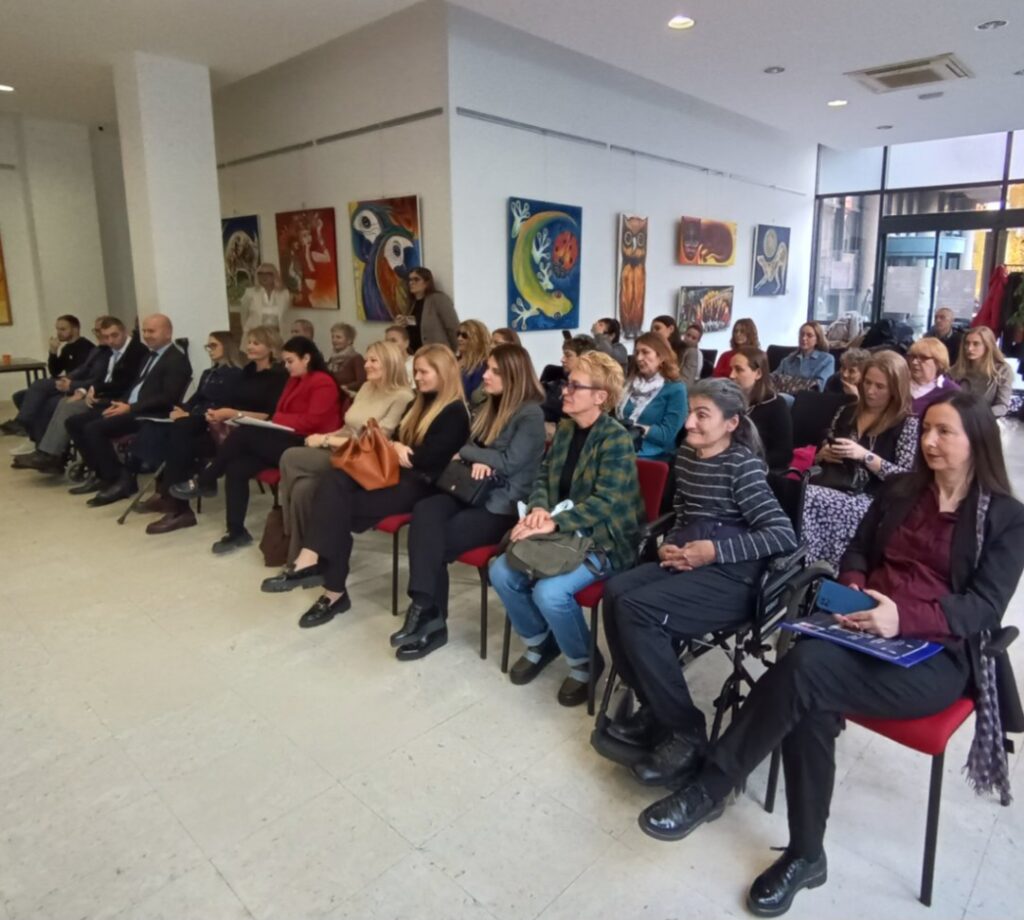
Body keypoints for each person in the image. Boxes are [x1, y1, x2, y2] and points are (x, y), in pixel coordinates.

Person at [637, 392, 1024, 917]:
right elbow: (858, 550)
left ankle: (711, 787)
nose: (929, 442)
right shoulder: (904, 490)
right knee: (811, 693)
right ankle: (805, 855)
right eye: (926, 430)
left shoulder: (1006, 517)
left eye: (944, 432)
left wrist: (902, 618)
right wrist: (856, 589)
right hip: (861, 627)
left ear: (977, 440)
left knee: (807, 671)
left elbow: (983, 607)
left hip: (935, 655)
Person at [601, 378, 797, 785]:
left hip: (735, 577)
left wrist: (714, 551)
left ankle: (686, 732)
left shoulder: (741, 466)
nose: (688, 423)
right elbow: (683, 512)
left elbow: (782, 535)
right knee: (615, 592)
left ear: (731, 423)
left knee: (638, 610)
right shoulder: (688, 457)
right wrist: (671, 544)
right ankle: (655, 708)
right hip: (694, 559)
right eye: (690, 412)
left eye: (701, 415)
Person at [490, 351, 644, 707]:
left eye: (575, 386)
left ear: (600, 396)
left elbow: (604, 503)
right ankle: (540, 642)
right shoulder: (566, 429)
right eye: (567, 384)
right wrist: (538, 509)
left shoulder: (616, 439)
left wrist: (551, 521)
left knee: (550, 594)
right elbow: (543, 477)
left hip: (605, 538)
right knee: (500, 571)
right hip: (563, 531)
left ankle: (584, 662)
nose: (564, 391)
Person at [277, 344, 470, 627]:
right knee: (334, 480)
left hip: (423, 486)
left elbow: (426, 459)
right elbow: (395, 443)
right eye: (416, 371)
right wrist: (399, 447)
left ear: (443, 372)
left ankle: (331, 589)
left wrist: (401, 449)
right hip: (394, 473)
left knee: (335, 508)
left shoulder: (455, 412)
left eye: (423, 372)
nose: (417, 377)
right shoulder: (419, 402)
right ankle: (313, 560)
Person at [390, 344, 546, 659]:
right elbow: (469, 442)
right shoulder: (489, 405)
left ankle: (429, 619)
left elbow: (509, 462)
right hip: (469, 490)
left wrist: (473, 455)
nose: (485, 375)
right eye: (487, 368)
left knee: (434, 541)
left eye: (494, 371)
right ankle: (425, 609)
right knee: (425, 510)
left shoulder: (530, 414)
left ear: (514, 376)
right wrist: (478, 456)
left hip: (501, 505)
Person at [171, 336, 341, 554]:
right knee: (237, 466)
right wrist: (276, 419)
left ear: (306, 358)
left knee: (245, 435)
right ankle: (236, 531)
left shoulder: (322, 382)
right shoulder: (295, 380)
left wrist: (276, 419)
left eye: (290, 361)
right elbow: (280, 411)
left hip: (311, 444)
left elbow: (312, 421)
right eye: (285, 361)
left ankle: (206, 479)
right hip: (288, 436)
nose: (286, 366)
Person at [266, 341, 413, 563]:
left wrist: (325, 439)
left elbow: (376, 441)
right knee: (303, 490)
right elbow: (348, 427)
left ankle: (287, 532)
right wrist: (326, 438)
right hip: (343, 449)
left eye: (373, 360)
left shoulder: (402, 396)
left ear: (390, 363)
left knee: (290, 457)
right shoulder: (367, 387)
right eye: (366, 360)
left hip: (365, 460)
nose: (366, 365)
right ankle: (300, 557)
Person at [143, 329, 281, 535]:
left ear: (271, 348)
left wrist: (225, 413)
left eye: (256, 343)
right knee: (180, 439)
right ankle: (177, 504)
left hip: (253, 433)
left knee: (183, 433)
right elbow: (221, 402)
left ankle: (188, 492)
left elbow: (268, 414)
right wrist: (207, 414)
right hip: (228, 427)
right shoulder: (247, 372)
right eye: (249, 342)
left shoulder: (276, 376)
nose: (249, 347)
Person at [802, 351, 919, 566]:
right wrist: (823, 455)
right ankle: (809, 564)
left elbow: (905, 477)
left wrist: (865, 455)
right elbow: (822, 453)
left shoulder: (906, 423)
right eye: (867, 383)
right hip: (834, 482)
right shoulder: (847, 411)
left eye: (880, 386)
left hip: (872, 497)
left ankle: (817, 565)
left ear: (895, 389)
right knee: (800, 494)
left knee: (808, 497)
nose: (870, 391)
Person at [65, 314, 192, 506]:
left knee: (94, 428)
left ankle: (120, 479)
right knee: (74, 422)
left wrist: (130, 407)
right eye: (145, 331)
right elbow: (135, 387)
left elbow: (168, 398)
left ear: (168, 333)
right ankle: (101, 473)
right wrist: (117, 402)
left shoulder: (176, 360)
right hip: (130, 407)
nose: (147, 335)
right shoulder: (150, 355)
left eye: (152, 331)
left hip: (149, 414)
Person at [14, 317, 148, 474]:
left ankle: (50, 453)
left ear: (124, 331)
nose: (109, 340)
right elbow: (87, 372)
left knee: (63, 404)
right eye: (104, 335)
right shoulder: (106, 349)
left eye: (114, 335)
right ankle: (45, 449)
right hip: (98, 391)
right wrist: (79, 387)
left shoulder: (134, 351)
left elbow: (121, 383)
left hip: (115, 398)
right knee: (44, 399)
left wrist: (84, 388)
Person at [5, 315, 100, 444]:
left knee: (40, 387)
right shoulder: (67, 348)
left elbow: (83, 373)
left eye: (63, 329)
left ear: (75, 329)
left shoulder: (85, 347)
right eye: (57, 329)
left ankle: (23, 424)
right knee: (20, 396)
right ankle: (32, 435)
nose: (58, 333)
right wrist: (53, 352)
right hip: (64, 383)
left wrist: (66, 380)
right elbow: (55, 371)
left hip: (75, 386)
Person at [618, 332, 687, 463]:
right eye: (637, 352)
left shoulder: (676, 389)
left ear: (661, 356)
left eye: (645, 352)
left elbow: (667, 435)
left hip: (654, 455)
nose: (639, 358)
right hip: (623, 447)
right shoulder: (631, 383)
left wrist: (637, 428)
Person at [730, 347, 793, 472]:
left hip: (755, 470)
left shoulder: (776, 405)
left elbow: (784, 454)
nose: (731, 375)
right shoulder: (729, 401)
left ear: (758, 373)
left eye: (739, 369)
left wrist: (748, 463)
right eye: (731, 369)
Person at [950, 326, 1014, 418]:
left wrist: (979, 414)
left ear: (988, 345)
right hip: (956, 418)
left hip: (984, 419)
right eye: (967, 343)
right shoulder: (957, 369)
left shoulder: (1002, 370)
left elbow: (1002, 406)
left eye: (976, 344)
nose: (969, 348)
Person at [395, 267, 459, 352]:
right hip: (414, 353)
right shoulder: (411, 304)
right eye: (410, 280)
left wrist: (454, 352)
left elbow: (453, 327)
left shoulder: (438, 299)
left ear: (426, 282)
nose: (411, 283)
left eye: (416, 279)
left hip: (437, 353)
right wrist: (401, 325)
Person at [541, 334, 597, 425]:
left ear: (585, 358)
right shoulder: (554, 380)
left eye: (568, 355)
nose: (562, 359)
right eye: (563, 355)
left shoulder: (591, 389)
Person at [907, 337, 960, 416]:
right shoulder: (900, 385)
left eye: (923, 358)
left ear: (938, 362)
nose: (914, 362)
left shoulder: (952, 391)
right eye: (913, 357)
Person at [777, 322, 835, 391]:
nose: (804, 338)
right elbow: (773, 380)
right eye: (801, 334)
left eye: (809, 335)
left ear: (818, 340)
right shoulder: (787, 360)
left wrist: (786, 381)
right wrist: (805, 383)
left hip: (808, 397)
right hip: (781, 394)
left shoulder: (827, 359)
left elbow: (818, 386)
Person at [241, 263, 290, 335]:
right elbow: (244, 316)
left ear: (275, 275)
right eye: (260, 273)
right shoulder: (250, 292)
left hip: (277, 335)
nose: (264, 276)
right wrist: (246, 332)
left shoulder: (284, 294)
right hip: (255, 334)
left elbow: (286, 318)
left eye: (268, 273)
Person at [456, 319, 490, 409]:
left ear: (477, 338)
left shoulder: (482, 366)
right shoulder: (452, 360)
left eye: (465, 335)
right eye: (458, 334)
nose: (459, 338)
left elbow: (472, 394)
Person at [326, 322, 366, 392]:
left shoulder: (356, 358)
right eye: (333, 337)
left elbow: (361, 382)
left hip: (349, 395)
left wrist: (345, 387)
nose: (334, 340)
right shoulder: (332, 358)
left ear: (349, 340)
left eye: (338, 337)